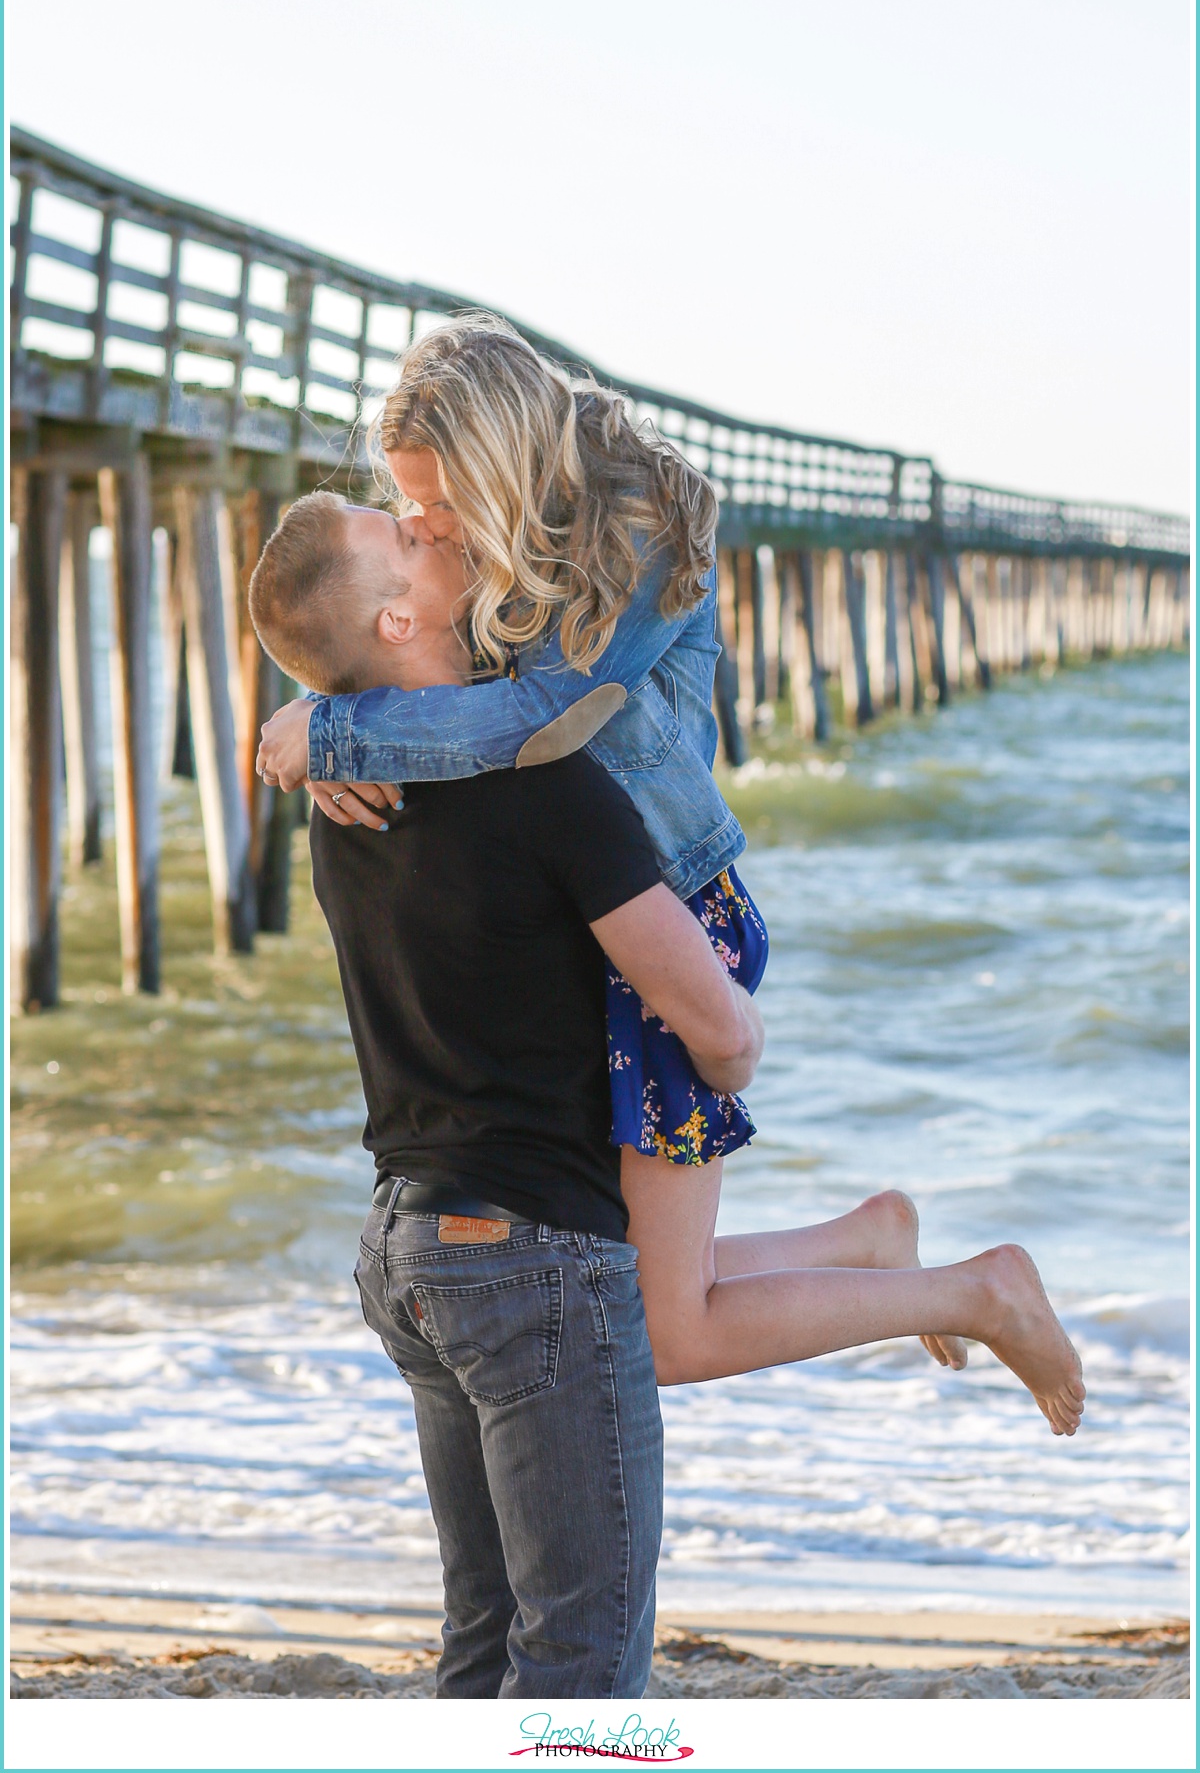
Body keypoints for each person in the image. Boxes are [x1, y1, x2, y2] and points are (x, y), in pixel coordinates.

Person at [255, 314, 1085, 1441]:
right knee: (637, 1281)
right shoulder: (506, 533)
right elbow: (414, 653)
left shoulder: (635, 530)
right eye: (405, 508)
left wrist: (342, 737)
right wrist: (328, 708)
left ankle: (974, 1291)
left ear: (498, 459)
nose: (424, 526)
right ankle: (873, 1239)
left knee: (668, 1329)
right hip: (596, 911)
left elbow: (541, 716)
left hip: (673, 911)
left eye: (435, 501)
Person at [249, 501, 765, 1700]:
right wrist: (730, 1044)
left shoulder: (344, 799)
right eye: (408, 537)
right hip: (530, 1262)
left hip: (409, 1251)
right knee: (580, 1667)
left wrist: (312, 728)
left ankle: (887, 1257)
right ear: (398, 614)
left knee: (484, 1649)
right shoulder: (553, 789)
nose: (437, 526)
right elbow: (724, 1038)